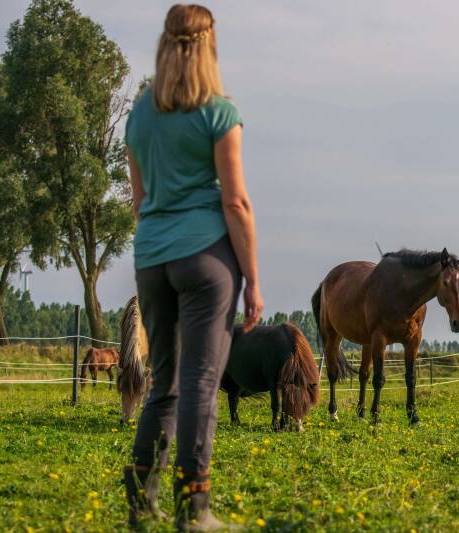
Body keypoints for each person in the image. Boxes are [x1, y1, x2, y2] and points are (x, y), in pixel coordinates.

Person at [123, 4, 263, 531]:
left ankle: (141, 500)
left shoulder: (139, 113)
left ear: (166, 45)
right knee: (202, 381)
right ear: (210, 46)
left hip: (151, 260)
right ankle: (193, 510)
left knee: (164, 383)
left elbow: (139, 201)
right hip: (206, 259)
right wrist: (252, 278)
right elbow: (236, 204)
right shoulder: (218, 113)